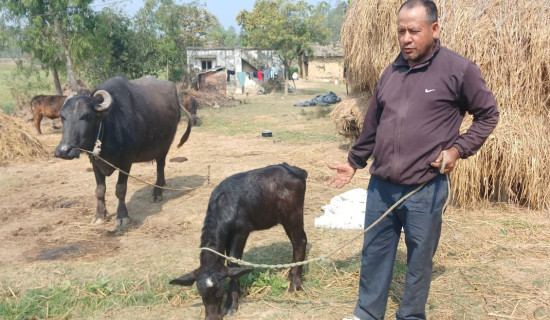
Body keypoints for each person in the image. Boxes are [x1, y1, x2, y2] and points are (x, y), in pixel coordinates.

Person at [327, 1, 499, 319]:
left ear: (434, 30)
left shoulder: (458, 70)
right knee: (375, 252)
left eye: (413, 31)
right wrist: (353, 162)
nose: (406, 38)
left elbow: (488, 115)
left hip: (425, 187)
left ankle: (410, 315)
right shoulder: (390, 72)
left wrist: (458, 149)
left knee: (419, 258)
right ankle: (367, 312)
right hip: (382, 186)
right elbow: (372, 125)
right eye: (401, 31)